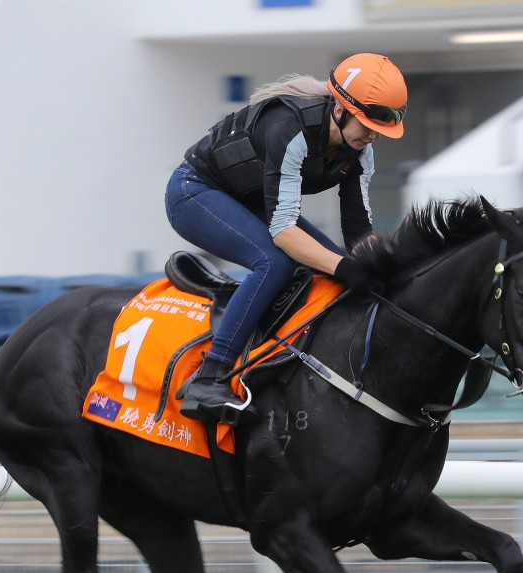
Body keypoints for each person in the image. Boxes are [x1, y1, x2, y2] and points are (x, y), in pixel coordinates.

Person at [165, 52, 408, 423]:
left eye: (380, 129)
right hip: (194, 192)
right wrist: (346, 268)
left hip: (251, 201)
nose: (372, 135)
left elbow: (358, 232)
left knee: (335, 270)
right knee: (275, 262)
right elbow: (284, 234)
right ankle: (209, 377)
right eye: (366, 124)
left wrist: (379, 269)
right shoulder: (288, 130)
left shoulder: (361, 152)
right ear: (340, 109)